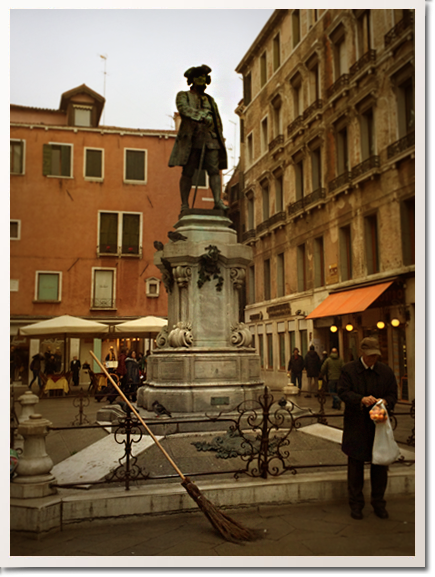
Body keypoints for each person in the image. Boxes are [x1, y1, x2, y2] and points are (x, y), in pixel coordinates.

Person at [338, 337, 398, 520]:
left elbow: (392, 394)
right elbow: (342, 392)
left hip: (377, 424)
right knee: (355, 467)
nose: (373, 359)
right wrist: (361, 399)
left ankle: (378, 503)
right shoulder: (349, 370)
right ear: (362, 353)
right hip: (356, 424)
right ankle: (356, 504)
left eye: (375, 356)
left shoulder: (385, 372)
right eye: (370, 356)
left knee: (380, 466)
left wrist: (385, 402)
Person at [168, 64, 228, 212]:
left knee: (214, 171)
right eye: (198, 77)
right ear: (192, 80)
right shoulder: (183, 95)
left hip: (211, 139)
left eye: (203, 77)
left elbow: (217, 120)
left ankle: (217, 201)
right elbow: (184, 109)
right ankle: (184, 204)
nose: (201, 79)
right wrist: (200, 116)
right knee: (188, 172)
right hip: (192, 140)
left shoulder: (210, 100)